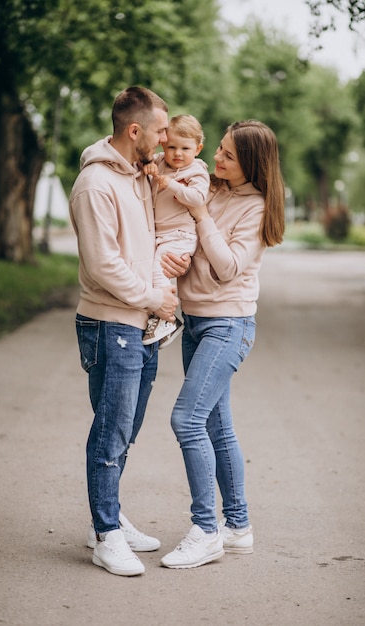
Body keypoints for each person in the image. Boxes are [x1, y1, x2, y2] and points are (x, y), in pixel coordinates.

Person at [69, 86, 189, 577]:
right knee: (111, 429)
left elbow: (139, 245)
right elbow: (102, 265)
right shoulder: (96, 184)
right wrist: (152, 296)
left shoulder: (138, 175)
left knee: (127, 427)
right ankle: (105, 535)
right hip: (109, 321)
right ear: (134, 130)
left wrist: (164, 264)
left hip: (140, 324)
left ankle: (112, 514)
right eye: (161, 131)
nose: (166, 142)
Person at [159, 119, 286, 569]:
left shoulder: (255, 207)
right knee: (216, 427)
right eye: (220, 149)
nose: (216, 157)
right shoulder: (209, 186)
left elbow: (229, 267)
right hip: (194, 321)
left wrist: (201, 214)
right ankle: (237, 527)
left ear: (251, 163)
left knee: (186, 420)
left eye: (228, 155)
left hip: (227, 325)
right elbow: (187, 237)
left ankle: (206, 530)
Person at [141, 115, 210, 348]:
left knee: (157, 272)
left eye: (185, 148)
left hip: (181, 235)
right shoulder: (161, 162)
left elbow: (198, 198)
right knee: (153, 274)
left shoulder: (196, 171)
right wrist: (149, 164)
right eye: (172, 147)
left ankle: (168, 319)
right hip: (161, 235)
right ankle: (159, 318)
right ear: (163, 145)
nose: (177, 153)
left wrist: (171, 184)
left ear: (198, 149)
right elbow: (144, 162)